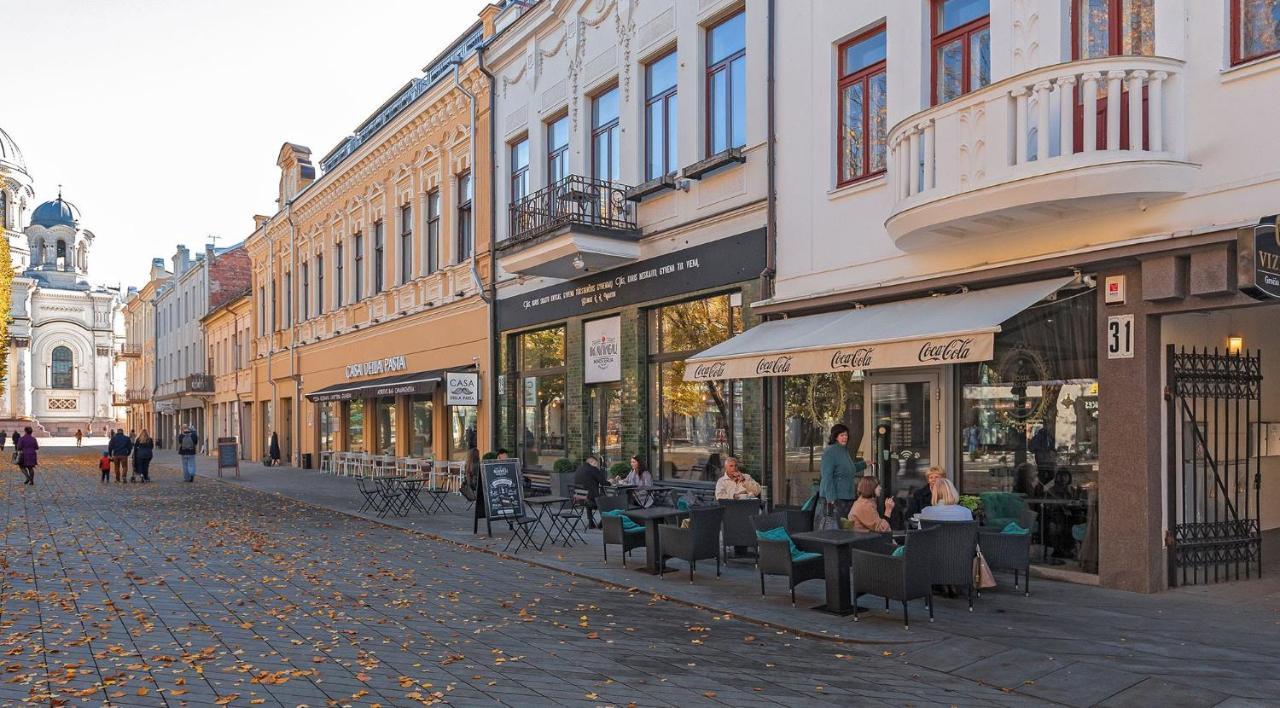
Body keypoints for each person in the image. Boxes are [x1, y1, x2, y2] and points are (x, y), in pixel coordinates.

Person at [820, 424, 863, 522]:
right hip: (836, 498)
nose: (845, 438)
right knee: (835, 529)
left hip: (847, 496)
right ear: (835, 437)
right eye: (842, 435)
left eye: (846, 435)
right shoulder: (830, 451)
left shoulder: (844, 450)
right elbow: (827, 475)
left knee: (845, 528)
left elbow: (849, 469)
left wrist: (865, 464)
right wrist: (830, 497)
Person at [574, 454, 609, 527]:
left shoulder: (579, 469)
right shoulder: (593, 469)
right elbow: (604, 483)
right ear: (591, 462)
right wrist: (611, 482)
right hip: (592, 501)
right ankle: (602, 523)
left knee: (589, 497)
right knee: (608, 501)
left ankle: (591, 522)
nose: (596, 466)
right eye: (596, 464)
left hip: (580, 500)